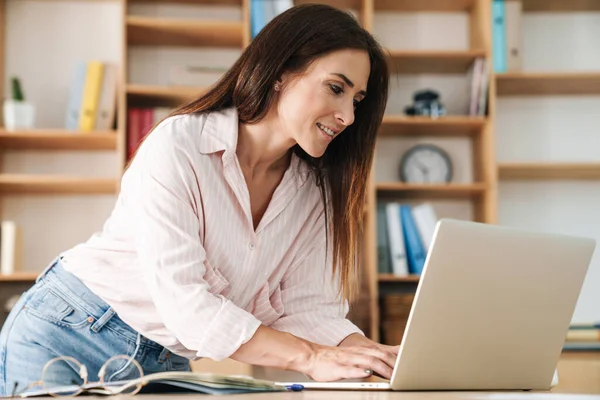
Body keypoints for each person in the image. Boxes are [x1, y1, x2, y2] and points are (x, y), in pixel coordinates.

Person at [0, 3, 394, 396]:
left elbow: (309, 308)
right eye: (336, 88)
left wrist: (369, 355)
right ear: (281, 72)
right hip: (70, 334)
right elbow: (186, 302)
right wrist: (309, 357)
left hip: (164, 358)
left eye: (357, 100)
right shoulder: (180, 144)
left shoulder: (313, 192)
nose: (348, 116)